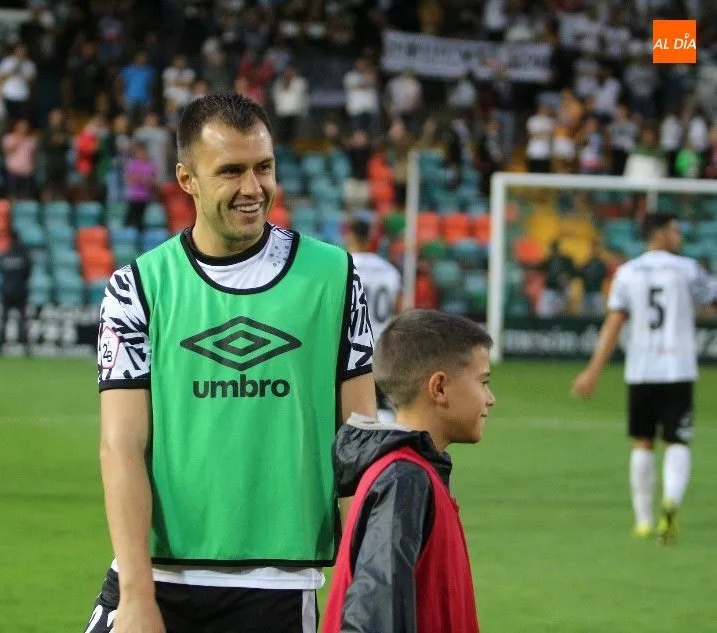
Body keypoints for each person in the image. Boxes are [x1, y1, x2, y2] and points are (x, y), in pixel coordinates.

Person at [88, 93, 377, 633]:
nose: (253, 187)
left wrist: (368, 588)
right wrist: (137, 595)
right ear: (187, 179)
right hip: (157, 578)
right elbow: (121, 446)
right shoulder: (138, 287)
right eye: (230, 171)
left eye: (263, 167)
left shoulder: (334, 277)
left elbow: (360, 447)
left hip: (277, 587)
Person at [321, 309, 493, 633]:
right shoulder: (404, 479)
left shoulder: (413, 471)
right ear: (439, 387)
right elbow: (373, 618)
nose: (490, 398)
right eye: (483, 382)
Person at [572, 213, 717, 543]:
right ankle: (671, 502)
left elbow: (613, 324)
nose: (679, 236)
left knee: (642, 441)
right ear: (660, 233)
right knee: (677, 440)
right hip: (678, 368)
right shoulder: (687, 269)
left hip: (641, 370)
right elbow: (711, 298)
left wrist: (593, 370)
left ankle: (643, 520)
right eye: (675, 230)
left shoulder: (627, 273)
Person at [344, 217, 403, 422]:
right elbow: (399, 310)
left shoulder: (344, 265)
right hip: (383, 347)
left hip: (353, 348)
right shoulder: (389, 270)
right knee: (384, 408)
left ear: (350, 236)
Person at [0, 228, 31, 356]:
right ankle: (26, 348)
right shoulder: (24, 255)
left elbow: (1, 272)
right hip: (20, 292)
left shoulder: (5, 255)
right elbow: (28, 273)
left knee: (4, 320)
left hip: (6, 291)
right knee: (22, 321)